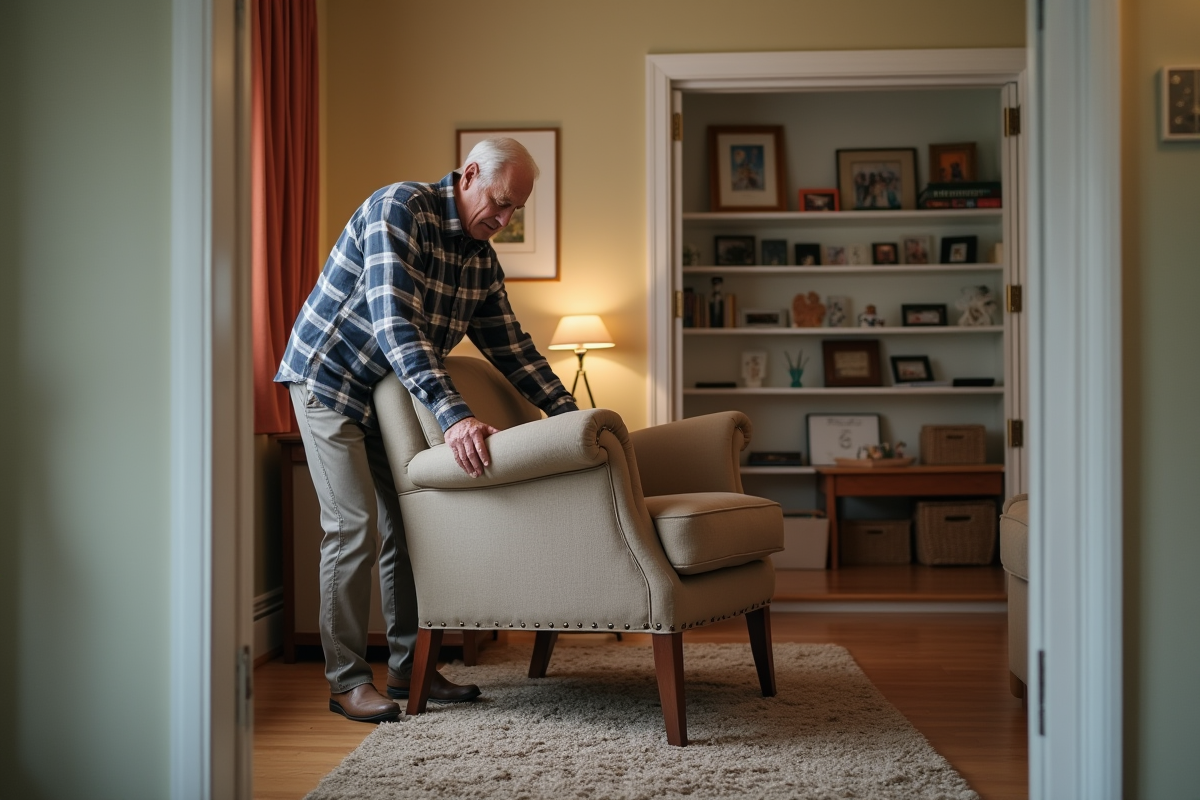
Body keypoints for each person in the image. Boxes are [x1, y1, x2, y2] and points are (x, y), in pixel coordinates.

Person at [275, 138, 579, 723]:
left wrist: (571, 415)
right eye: (499, 201)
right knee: (353, 525)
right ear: (468, 176)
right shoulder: (401, 209)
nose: (505, 218)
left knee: (410, 525)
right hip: (329, 379)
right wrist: (454, 413)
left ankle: (411, 667)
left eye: (516, 209)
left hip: (387, 393)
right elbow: (396, 324)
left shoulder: (481, 260)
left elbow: (513, 350)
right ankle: (345, 682)